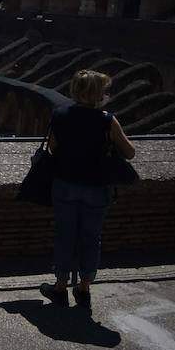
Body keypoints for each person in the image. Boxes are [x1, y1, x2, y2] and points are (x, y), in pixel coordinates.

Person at [39, 69, 136, 309]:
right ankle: (83, 288)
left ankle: (60, 287)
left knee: (65, 235)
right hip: (96, 187)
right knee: (91, 237)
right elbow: (129, 152)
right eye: (104, 91)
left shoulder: (60, 114)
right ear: (97, 94)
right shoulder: (107, 119)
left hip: (65, 184)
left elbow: (52, 149)